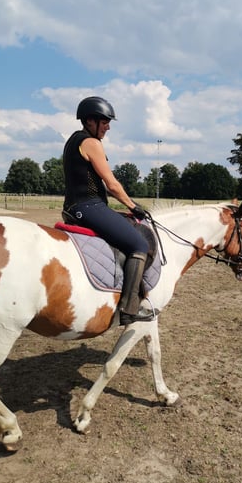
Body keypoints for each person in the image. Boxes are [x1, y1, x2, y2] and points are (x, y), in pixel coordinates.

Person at [62, 96, 152, 325]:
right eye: (105, 122)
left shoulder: (73, 140)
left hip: (74, 207)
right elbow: (111, 184)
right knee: (140, 244)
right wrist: (133, 206)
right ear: (90, 121)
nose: (108, 127)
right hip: (89, 207)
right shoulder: (91, 143)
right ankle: (130, 308)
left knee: (128, 228)